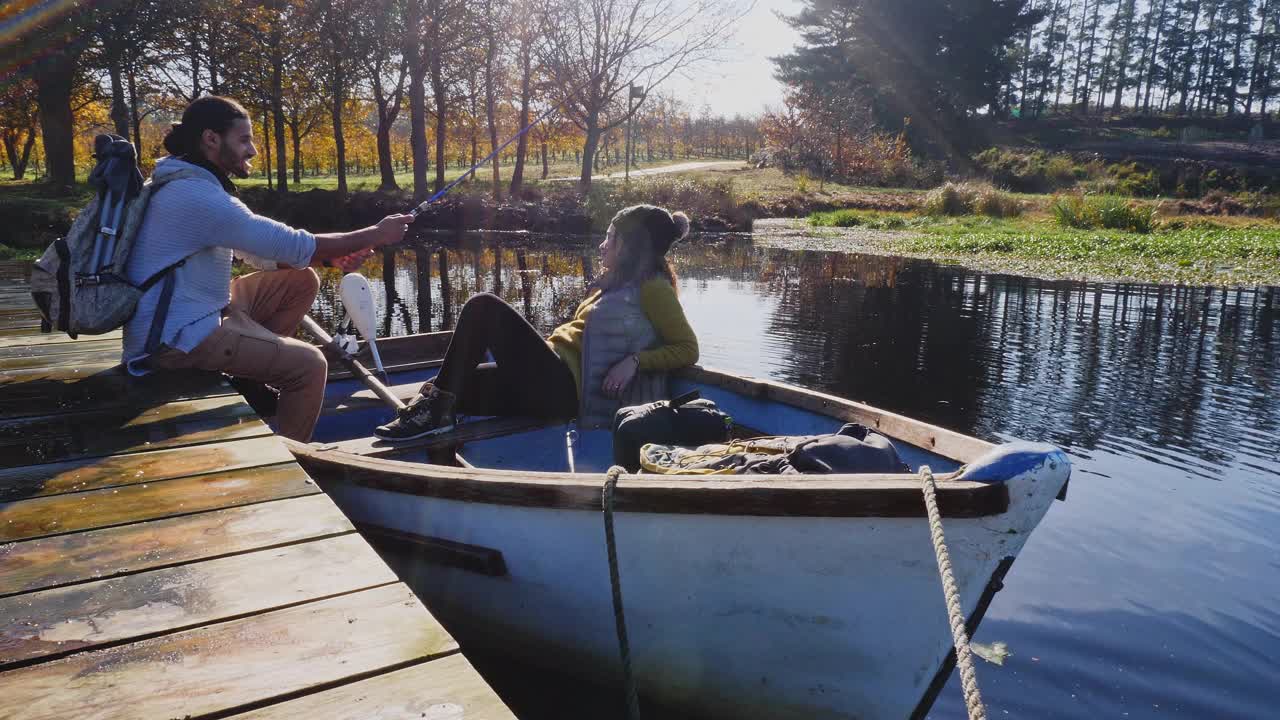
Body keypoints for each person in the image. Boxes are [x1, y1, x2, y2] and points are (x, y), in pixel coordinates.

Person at [122, 95, 413, 442]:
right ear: (211, 139)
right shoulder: (197, 196)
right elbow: (292, 243)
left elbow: (259, 254)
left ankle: (252, 376)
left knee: (300, 279)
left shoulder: (179, 183)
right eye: (244, 139)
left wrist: (329, 258)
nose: (253, 150)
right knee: (310, 366)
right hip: (173, 339)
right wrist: (376, 233)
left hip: (190, 310)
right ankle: (295, 457)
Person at [375, 204, 699, 441]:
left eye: (611, 238)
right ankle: (436, 415)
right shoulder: (614, 282)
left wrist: (636, 361)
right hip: (547, 380)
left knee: (483, 308)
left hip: (562, 389)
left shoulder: (653, 288)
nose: (602, 244)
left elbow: (687, 348)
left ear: (630, 246)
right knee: (449, 384)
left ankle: (435, 413)